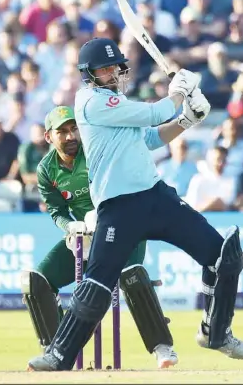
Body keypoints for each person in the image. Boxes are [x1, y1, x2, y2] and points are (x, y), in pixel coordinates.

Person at [28, 38, 243, 371]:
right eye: (104, 68)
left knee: (222, 256)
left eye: (114, 66)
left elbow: (150, 136)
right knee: (98, 282)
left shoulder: (115, 103)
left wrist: (189, 119)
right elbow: (154, 112)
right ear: (89, 74)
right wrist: (178, 92)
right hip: (118, 206)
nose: (112, 72)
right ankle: (58, 354)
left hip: (155, 196)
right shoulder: (89, 101)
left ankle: (216, 332)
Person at [23, 105, 178, 369]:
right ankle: (56, 350)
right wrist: (70, 227)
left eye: (74, 129)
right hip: (86, 233)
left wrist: (103, 213)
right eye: (63, 132)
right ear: (49, 137)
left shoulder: (96, 150)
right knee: (35, 281)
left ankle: (163, 347)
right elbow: (56, 211)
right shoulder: (46, 169)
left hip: (125, 224)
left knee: (131, 275)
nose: (71, 136)